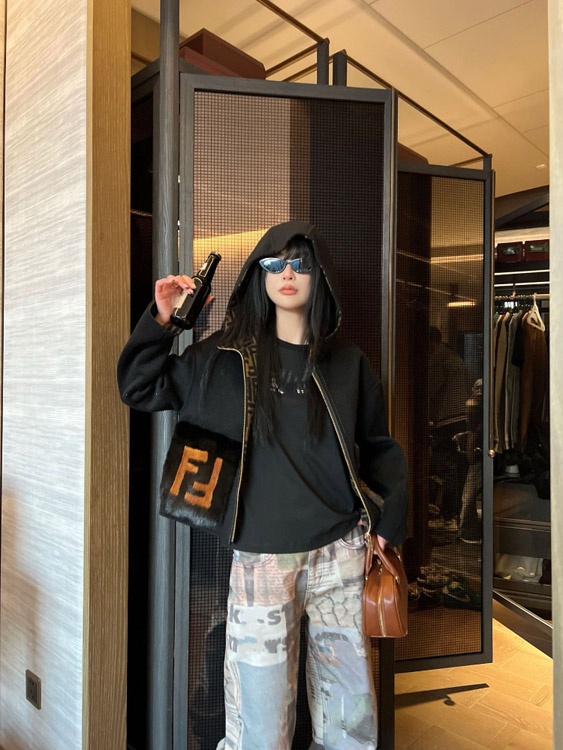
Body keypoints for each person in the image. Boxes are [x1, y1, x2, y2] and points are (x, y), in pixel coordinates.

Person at [118, 220, 408, 750]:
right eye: (275, 263)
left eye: (300, 263)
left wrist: (389, 522)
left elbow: (378, 445)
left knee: (350, 719)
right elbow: (139, 386)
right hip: (262, 561)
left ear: (320, 276)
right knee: (260, 726)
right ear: (259, 275)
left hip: (341, 554)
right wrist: (166, 320)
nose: (287, 273)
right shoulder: (222, 358)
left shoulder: (348, 363)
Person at [427, 326, 472, 531]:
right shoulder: (454, 356)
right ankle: (457, 514)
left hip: (447, 420)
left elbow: (430, 389)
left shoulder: (438, 359)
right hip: (463, 418)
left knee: (447, 467)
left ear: (431, 342)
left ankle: (448, 516)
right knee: (458, 468)